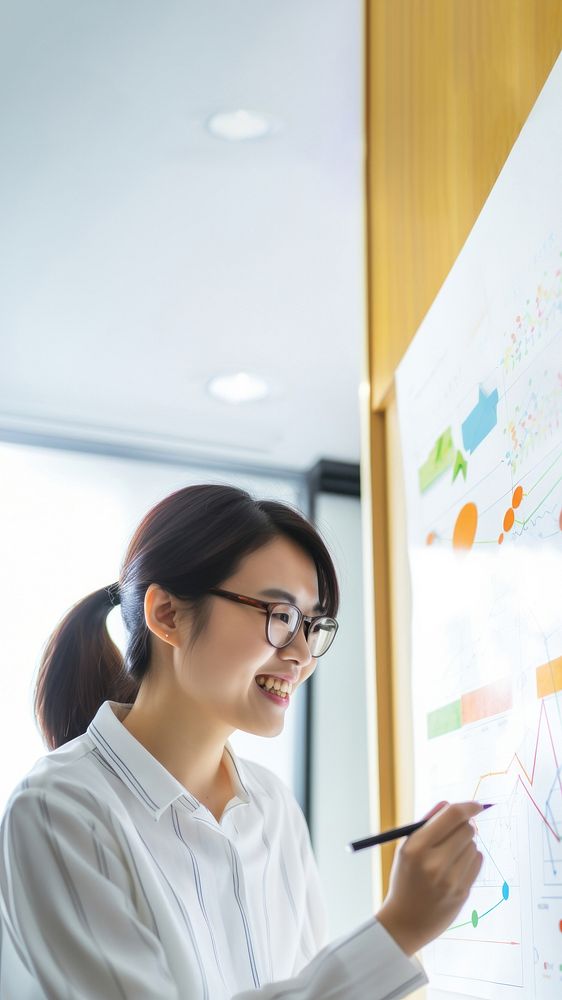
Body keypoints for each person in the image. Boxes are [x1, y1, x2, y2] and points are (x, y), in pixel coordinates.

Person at [0, 484, 483, 999]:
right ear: (167, 614)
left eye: (313, 625)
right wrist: (396, 932)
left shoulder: (272, 807)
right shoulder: (59, 811)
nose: (301, 653)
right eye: (280, 616)